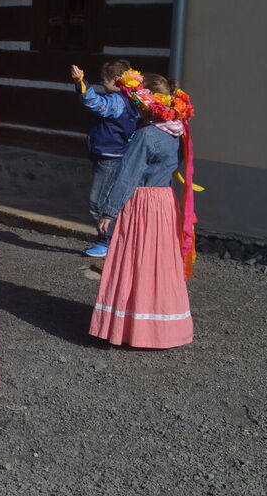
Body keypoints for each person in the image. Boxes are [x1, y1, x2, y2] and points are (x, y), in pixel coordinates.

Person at [89, 71, 196, 349]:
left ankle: (132, 327)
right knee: (159, 264)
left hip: (142, 204)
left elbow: (128, 175)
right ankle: (162, 325)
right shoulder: (177, 129)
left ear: (144, 102)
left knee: (136, 262)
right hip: (164, 202)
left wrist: (109, 212)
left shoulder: (146, 135)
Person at [70, 59, 139, 258]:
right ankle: (113, 240)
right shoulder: (131, 98)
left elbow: (95, 103)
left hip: (111, 157)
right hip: (110, 155)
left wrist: (81, 82)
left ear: (116, 80)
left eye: (104, 81)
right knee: (108, 198)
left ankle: (106, 241)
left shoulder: (117, 100)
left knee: (98, 201)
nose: (102, 84)